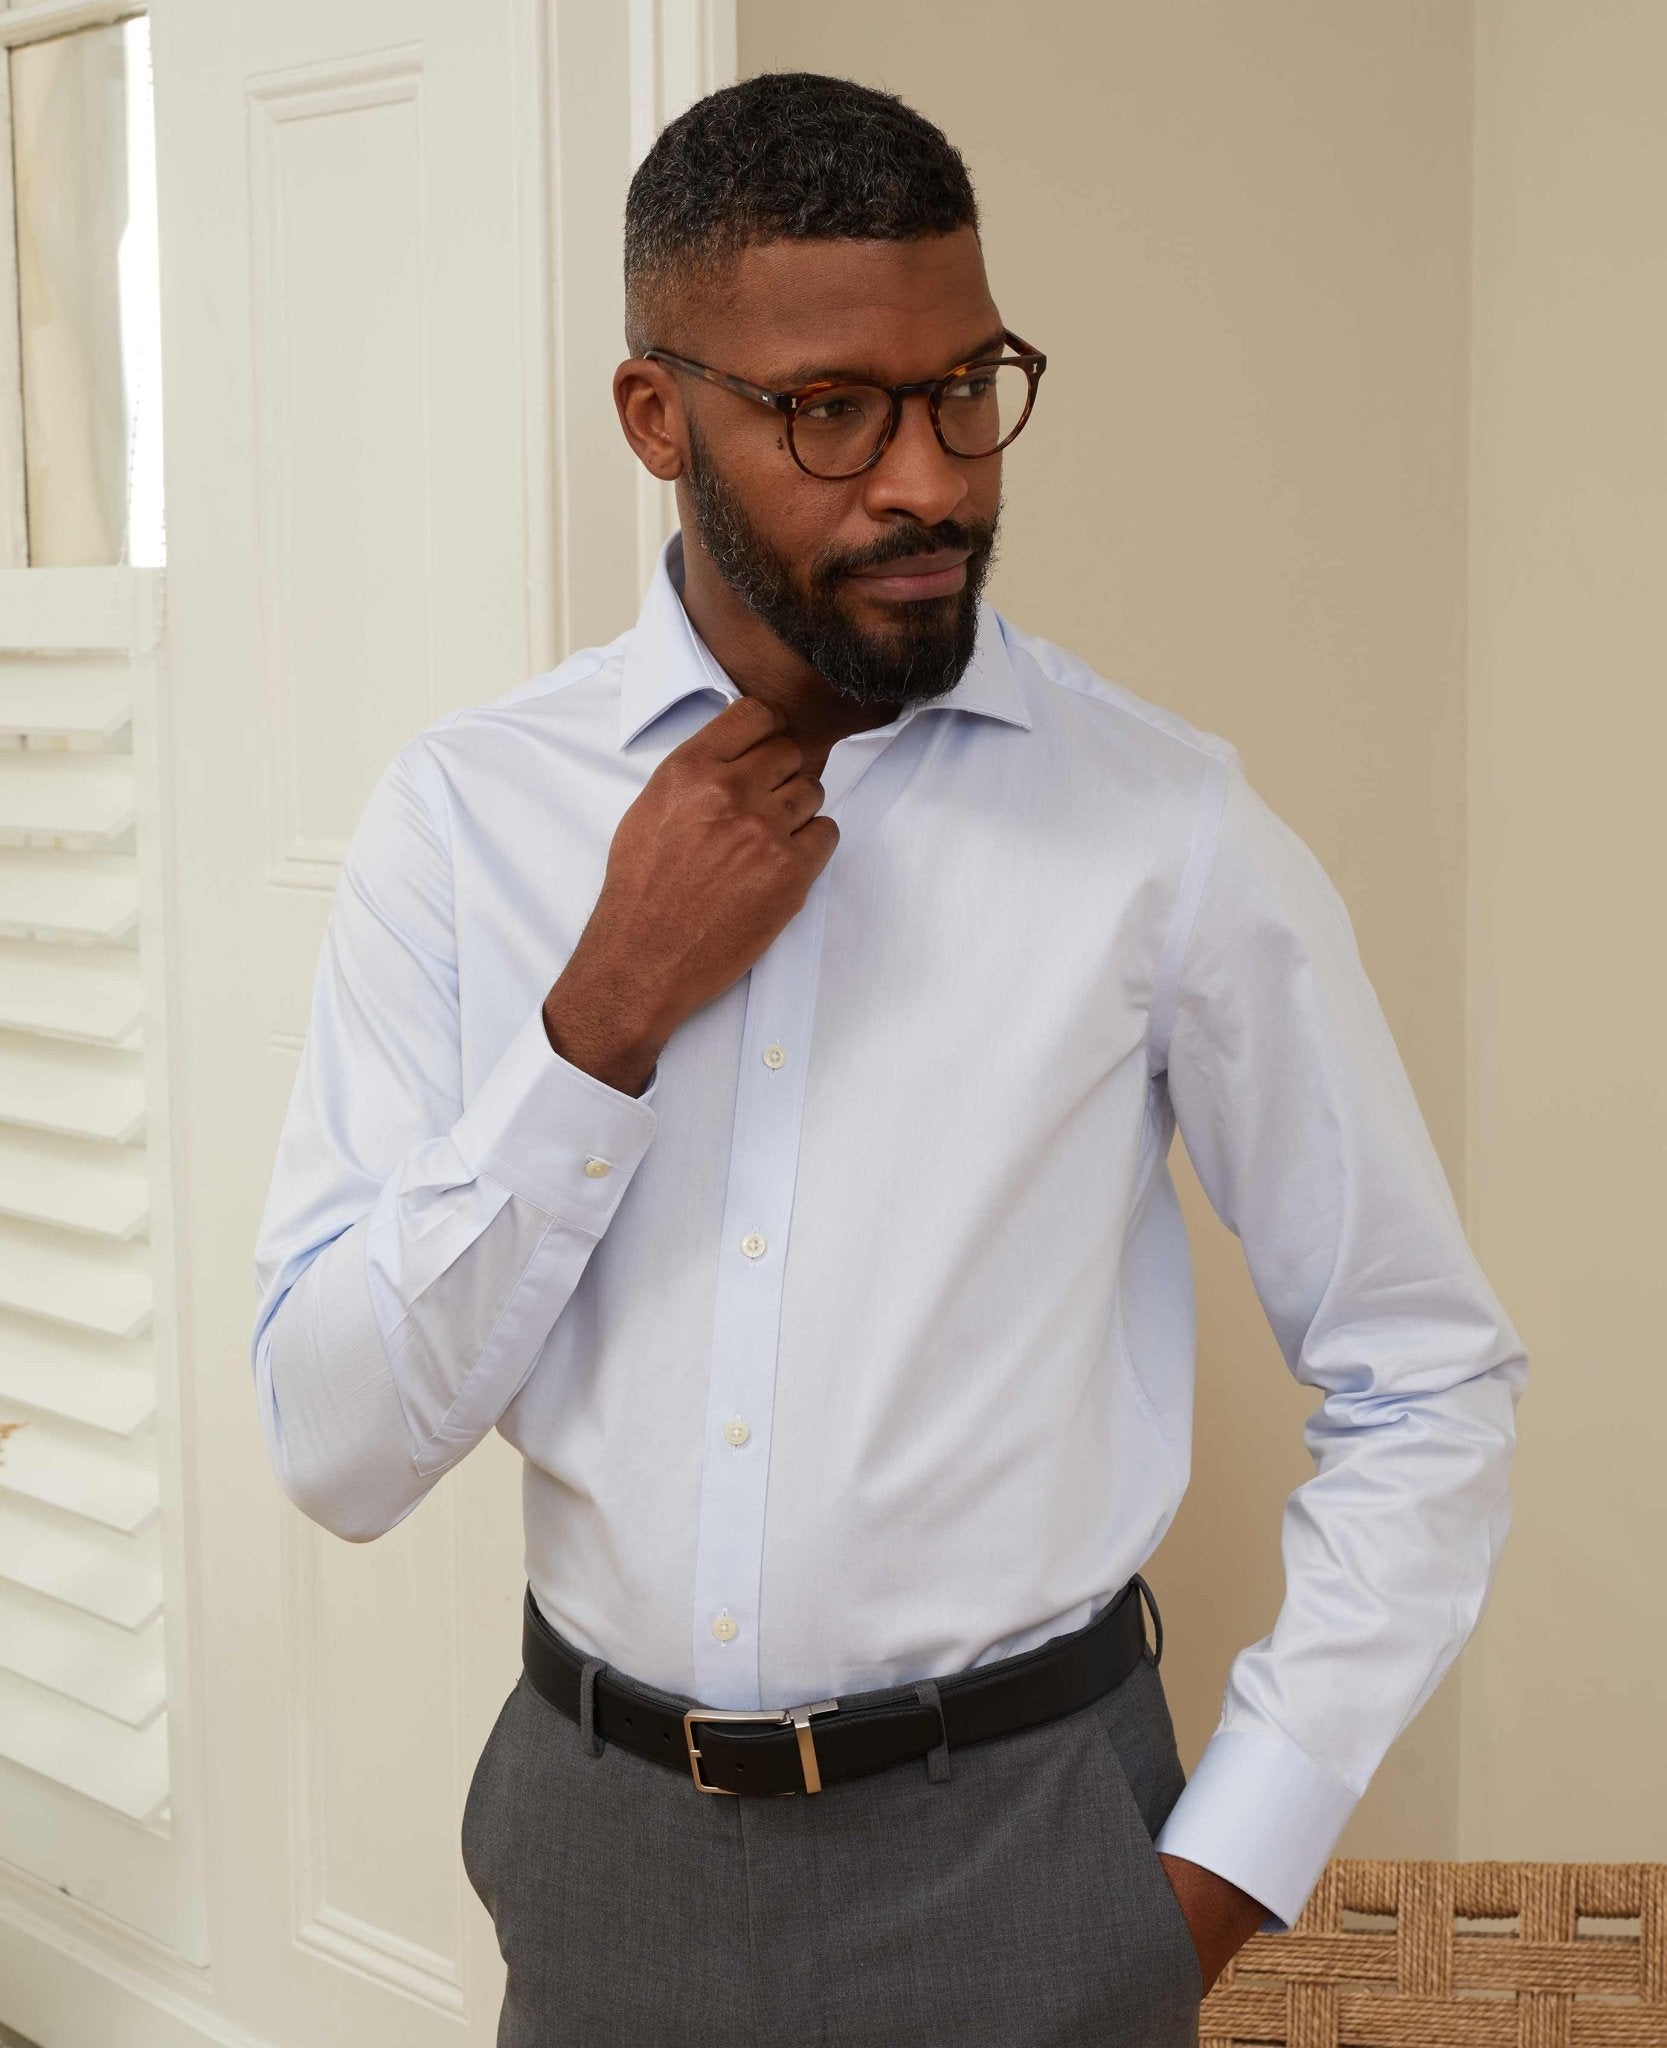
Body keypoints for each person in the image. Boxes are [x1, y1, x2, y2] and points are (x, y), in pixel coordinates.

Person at [250, 71, 1528, 2048]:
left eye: (964, 389)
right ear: (656, 416)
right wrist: (601, 1019)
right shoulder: (468, 818)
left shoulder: (1162, 827)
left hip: (1030, 1858)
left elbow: (1427, 1375)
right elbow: (337, 1449)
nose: (929, 480)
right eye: (830, 410)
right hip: (603, 1861)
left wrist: (1218, 1872)